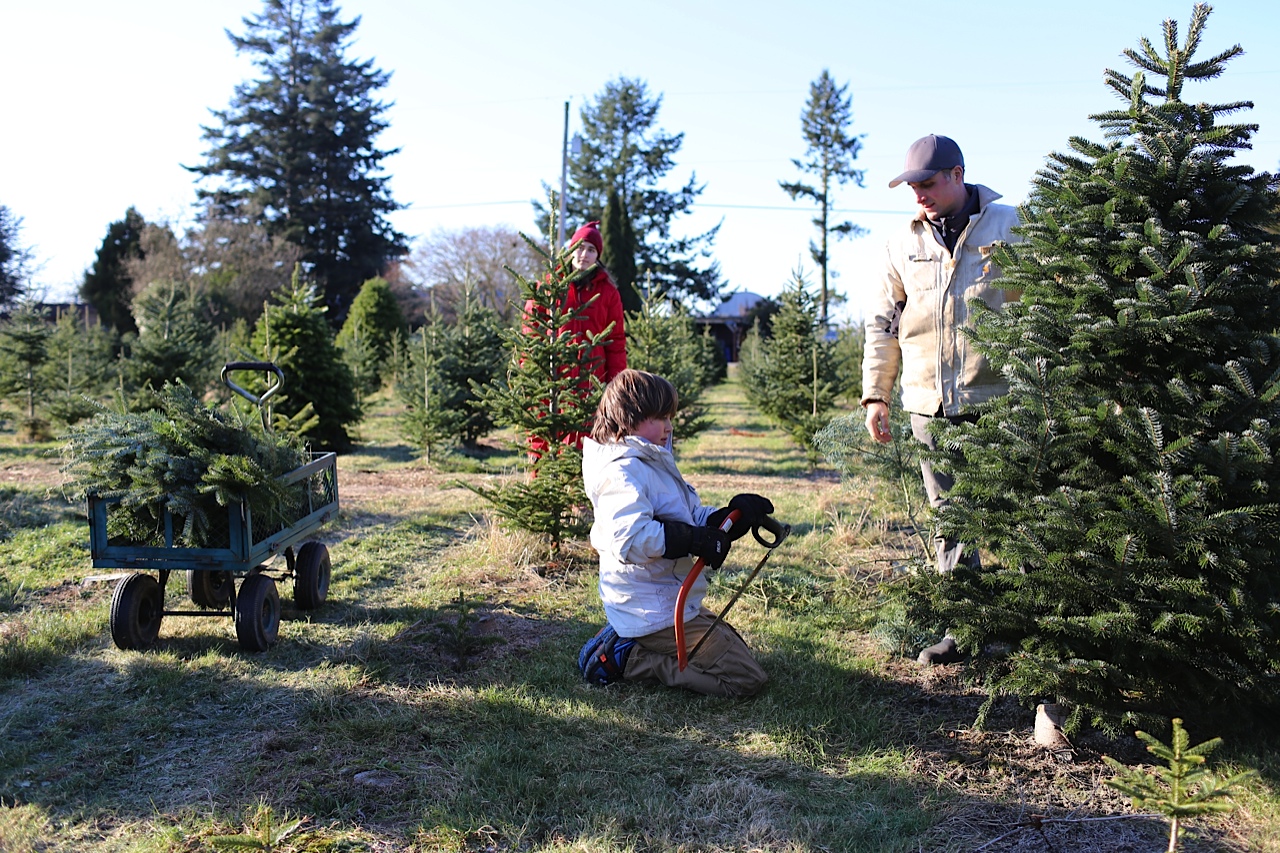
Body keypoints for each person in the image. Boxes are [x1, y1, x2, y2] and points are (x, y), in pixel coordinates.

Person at [860, 134, 1022, 664]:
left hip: (1001, 402)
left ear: (958, 175)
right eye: (911, 186)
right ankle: (966, 629)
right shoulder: (899, 243)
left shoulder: (1012, 227)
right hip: (929, 405)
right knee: (950, 517)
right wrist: (876, 396)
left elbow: (1052, 303)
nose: (919, 195)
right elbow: (883, 325)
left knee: (1018, 516)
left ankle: (1032, 631)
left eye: (927, 183)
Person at [577, 369, 773, 697]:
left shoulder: (651, 460)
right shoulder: (621, 472)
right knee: (745, 679)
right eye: (660, 417)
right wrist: (691, 539)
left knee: (735, 649)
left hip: (665, 600)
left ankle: (632, 640)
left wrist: (728, 518)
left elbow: (688, 515)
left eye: (670, 416)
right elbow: (631, 538)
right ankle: (629, 659)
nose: (669, 426)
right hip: (650, 608)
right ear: (628, 419)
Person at [523, 220, 627, 456]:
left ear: (597, 255)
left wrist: (615, 385)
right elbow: (530, 328)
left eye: (591, 250)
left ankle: (580, 487)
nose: (584, 254)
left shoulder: (608, 292)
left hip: (592, 380)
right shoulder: (549, 287)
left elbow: (616, 341)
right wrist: (529, 368)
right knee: (545, 433)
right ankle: (540, 483)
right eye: (580, 247)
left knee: (588, 439)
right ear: (570, 250)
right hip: (553, 379)